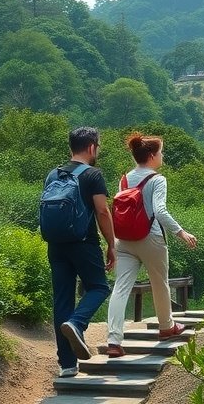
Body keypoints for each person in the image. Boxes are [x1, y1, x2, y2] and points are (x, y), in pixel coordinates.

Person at [105, 132, 199, 358]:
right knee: (160, 283)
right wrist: (181, 232)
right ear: (152, 156)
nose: (162, 155)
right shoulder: (157, 179)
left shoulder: (124, 180)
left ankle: (114, 341)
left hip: (124, 240)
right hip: (151, 239)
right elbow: (160, 211)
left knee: (120, 288)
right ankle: (167, 327)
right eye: (161, 152)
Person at [47, 127, 116, 377]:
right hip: (84, 242)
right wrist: (111, 244)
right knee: (99, 287)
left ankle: (66, 365)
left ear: (70, 147)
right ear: (91, 147)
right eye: (98, 146)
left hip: (55, 244)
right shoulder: (93, 175)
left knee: (62, 300)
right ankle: (77, 323)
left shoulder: (52, 175)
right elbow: (102, 211)